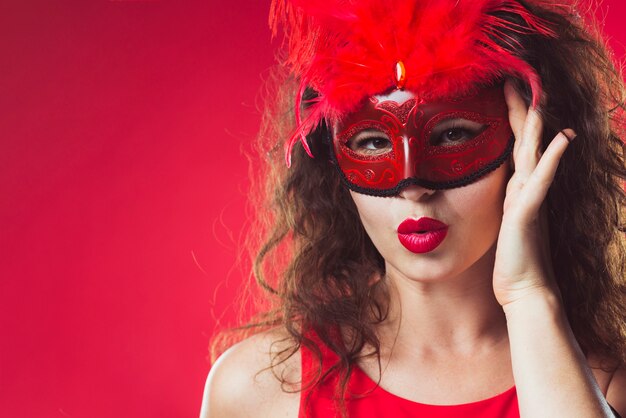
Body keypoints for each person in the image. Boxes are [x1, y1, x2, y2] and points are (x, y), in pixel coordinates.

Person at [201, 0, 626, 416]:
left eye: (454, 134)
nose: (413, 185)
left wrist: (529, 295)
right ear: (331, 158)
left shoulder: (602, 387)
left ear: (526, 143)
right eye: (372, 142)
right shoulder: (257, 391)